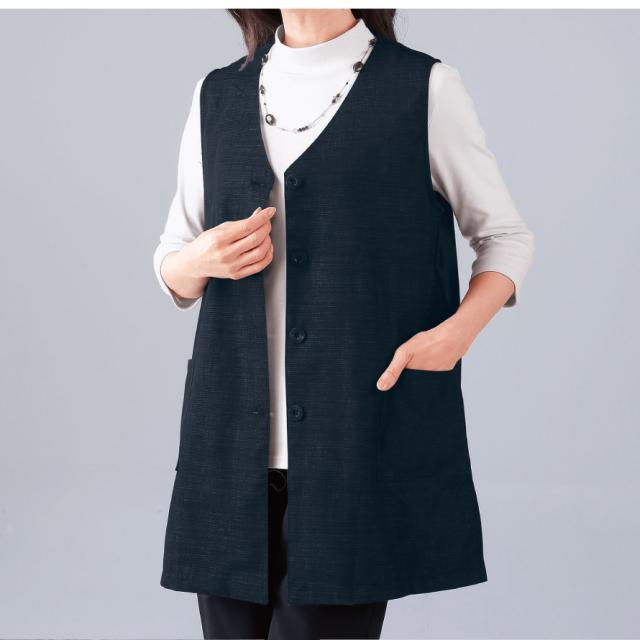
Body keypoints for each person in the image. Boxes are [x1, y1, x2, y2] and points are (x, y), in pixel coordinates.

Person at [153, 9, 535, 640]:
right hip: (227, 450)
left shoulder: (424, 88)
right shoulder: (216, 93)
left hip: (356, 445)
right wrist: (195, 261)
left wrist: (457, 334)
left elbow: (505, 237)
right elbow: (174, 258)